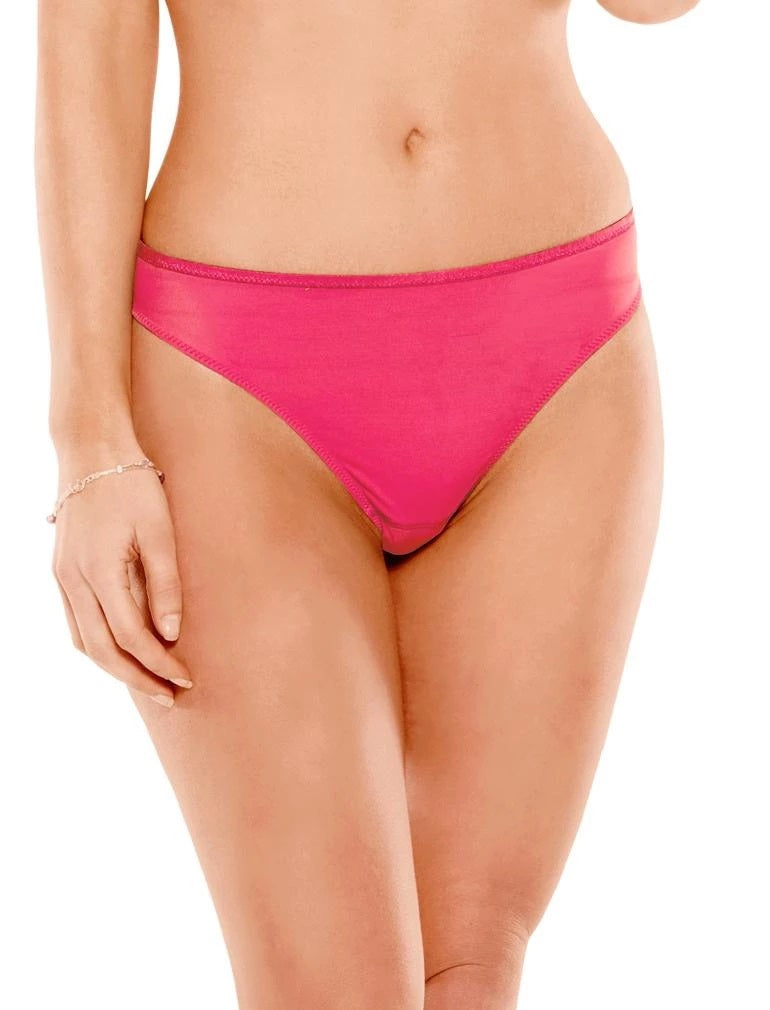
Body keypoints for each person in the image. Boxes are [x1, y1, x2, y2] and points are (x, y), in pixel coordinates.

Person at [35, 1, 697, 1007]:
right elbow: (89, 38)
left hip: (557, 357)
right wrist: (89, 436)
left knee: (466, 968)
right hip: (235, 379)